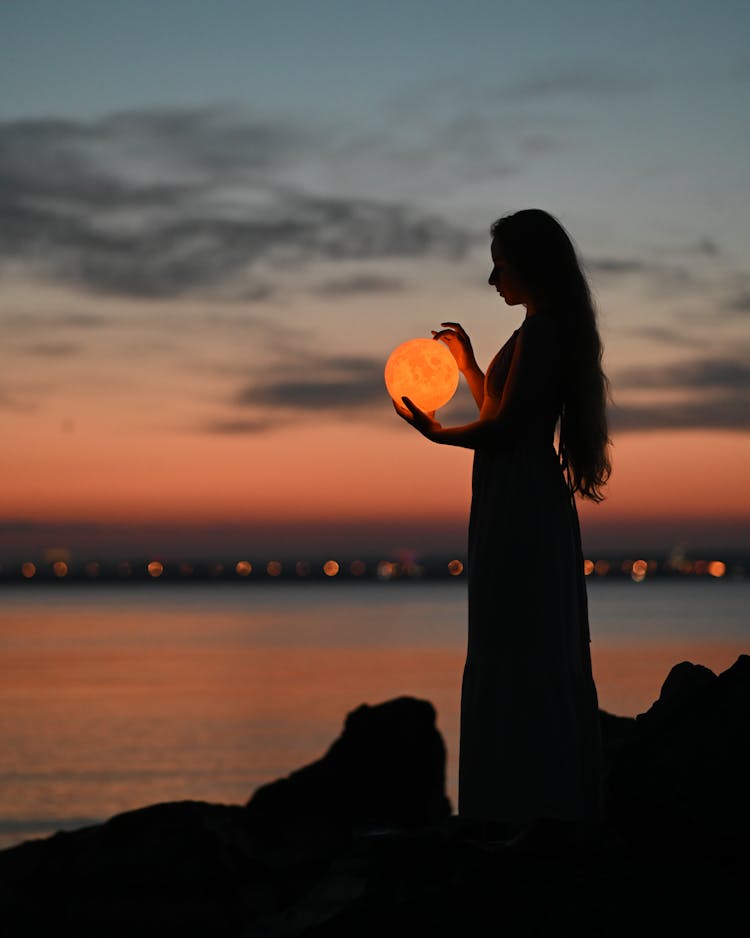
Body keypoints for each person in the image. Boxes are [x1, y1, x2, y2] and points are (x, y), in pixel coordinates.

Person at [394, 208, 611, 845]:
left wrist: (437, 434)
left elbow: (509, 429)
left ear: (529, 265)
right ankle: (524, 801)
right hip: (511, 492)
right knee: (513, 635)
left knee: (516, 636)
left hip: (519, 497)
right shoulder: (537, 332)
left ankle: (525, 804)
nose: (493, 278)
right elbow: (502, 408)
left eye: (502, 264)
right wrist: (465, 367)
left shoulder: (544, 333)